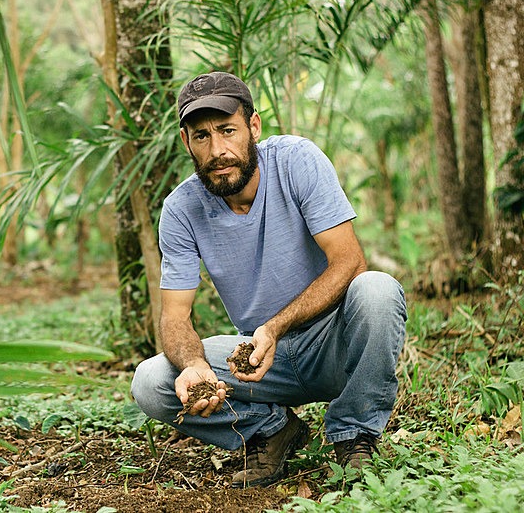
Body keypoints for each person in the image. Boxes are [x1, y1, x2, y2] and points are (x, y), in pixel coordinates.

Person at [130, 71, 407, 488]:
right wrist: (194, 365)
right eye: (202, 136)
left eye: (228, 130)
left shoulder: (296, 160)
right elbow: (174, 317)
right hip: (257, 364)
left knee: (378, 289)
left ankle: (354, 434)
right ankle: (274, 431)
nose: (218, 150)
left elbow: (349, 261)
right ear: (186, 142)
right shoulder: (181, 209)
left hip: (331, 343)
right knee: (152, 382)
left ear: (253, 127)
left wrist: (274, 328)